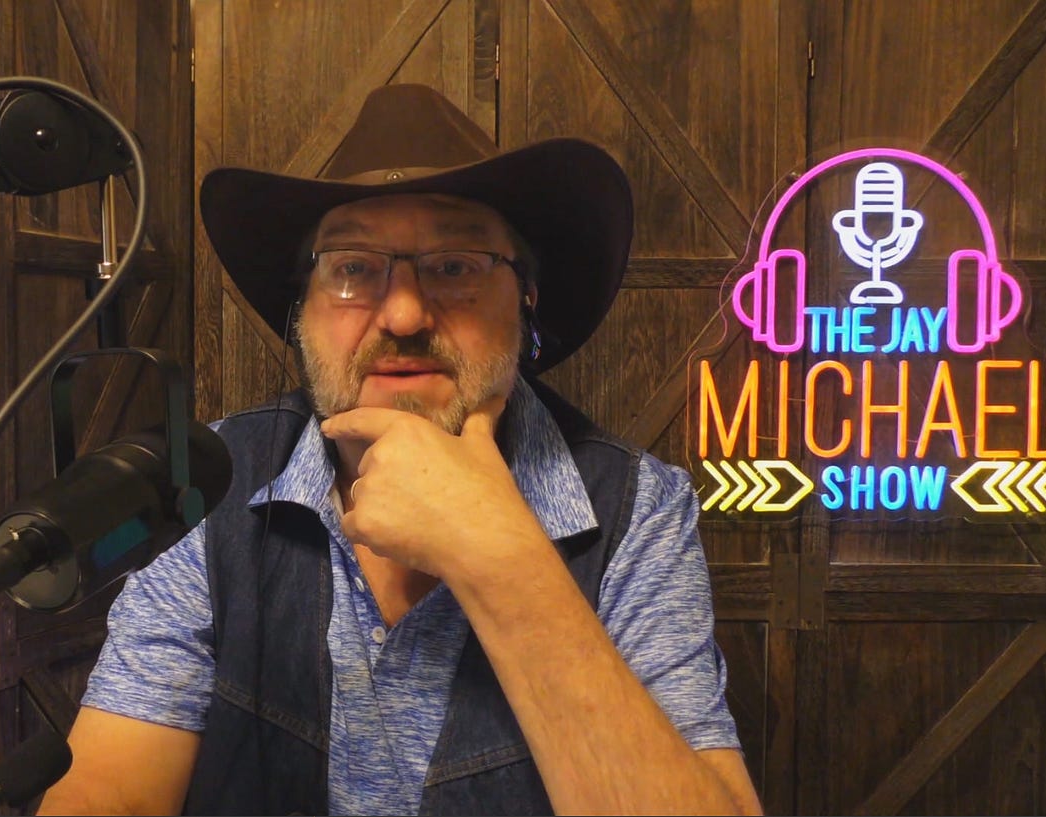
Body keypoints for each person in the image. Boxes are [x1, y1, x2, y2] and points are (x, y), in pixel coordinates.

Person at [37, 84, 763, 816]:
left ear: (527, 298)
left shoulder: (639, 510)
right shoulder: (211, 479)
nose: (406, 313)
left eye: (456, 266)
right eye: (353, 268)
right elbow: (109, 794)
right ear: (302, 310)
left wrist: (498, 555)